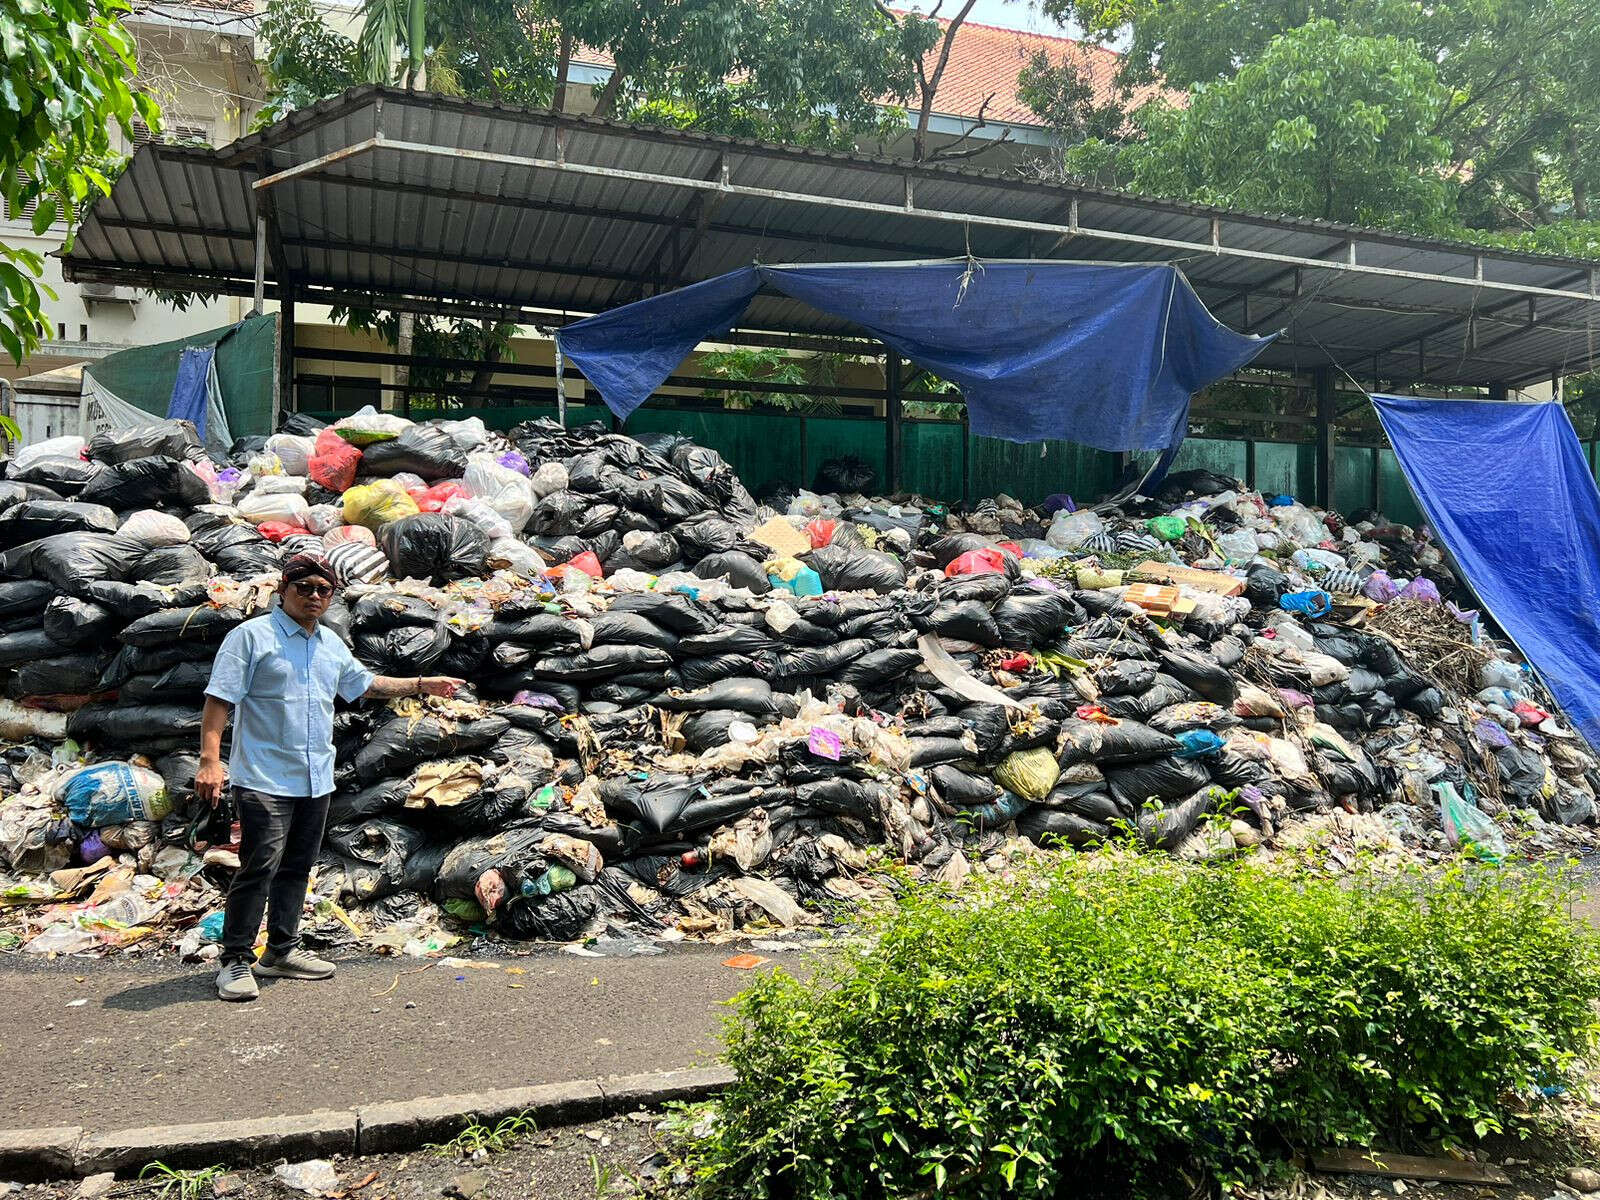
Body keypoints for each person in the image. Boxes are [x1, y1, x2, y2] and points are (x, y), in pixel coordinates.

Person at [197, 553, 464, 1002]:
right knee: (259, 865)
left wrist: (422, 683)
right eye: (305, 588)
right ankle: (235, 960)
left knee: (299, 866)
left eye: (324, 590)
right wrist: (209, 761)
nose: (315, 597)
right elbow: (219, 700)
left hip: (315, 775)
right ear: (283, 590)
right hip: (263, 775)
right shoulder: (251, 637)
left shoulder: (329, 643)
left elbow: (365, 685)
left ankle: (280, 950)